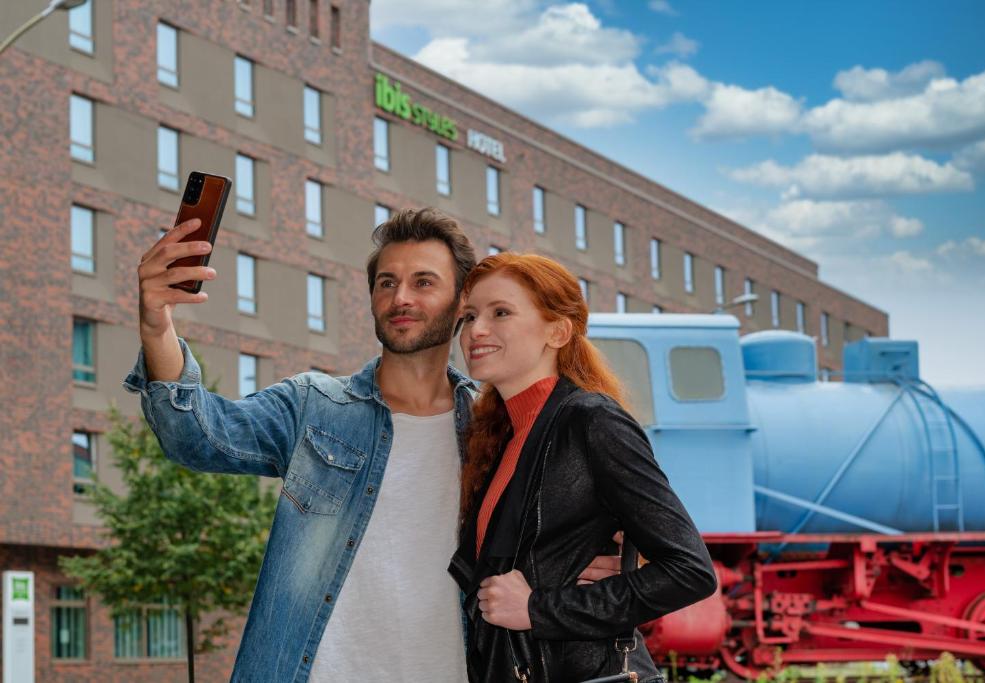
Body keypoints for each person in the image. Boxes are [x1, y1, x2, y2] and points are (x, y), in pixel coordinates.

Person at [123, 208, 620, 682]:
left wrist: (598, 559)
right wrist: (156, 323)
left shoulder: (502, 427)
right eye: (387, 282)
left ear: (461, 304)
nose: (401, 297)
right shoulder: (314, 406)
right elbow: (195, 436)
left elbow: (586, 529)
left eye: (424, 282)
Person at [449, 252, 718, 683]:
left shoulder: (592, 421)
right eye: (469, 316)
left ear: (557, 331)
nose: (475, 330)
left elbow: (690, 572)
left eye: (501, 312)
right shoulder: (500, 437)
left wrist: (538, 609)